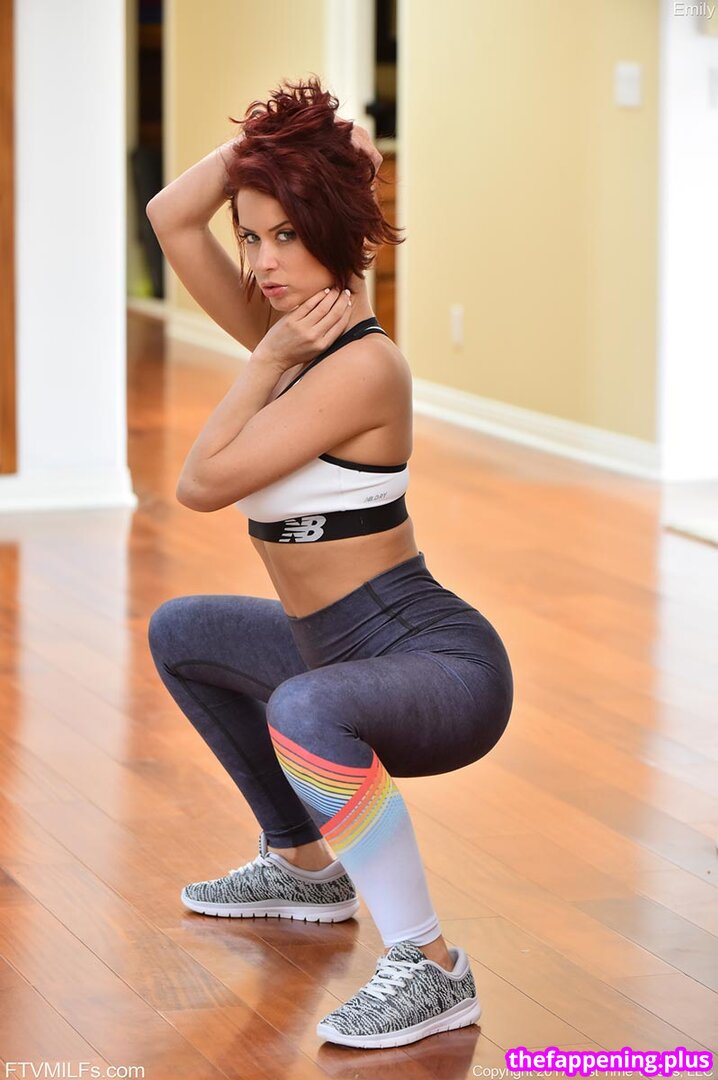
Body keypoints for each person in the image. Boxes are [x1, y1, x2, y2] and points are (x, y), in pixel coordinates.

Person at [146, 75, 514, 1051]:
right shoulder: (291, 331)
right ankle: (305, 867)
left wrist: (265, 363)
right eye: (250, 236)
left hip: (438, 666)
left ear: (335, 230)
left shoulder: (358, 364)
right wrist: (268, 145)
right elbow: (169, 215)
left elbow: (201, 482)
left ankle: (431, 967)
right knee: (184, 632)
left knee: (304, 710)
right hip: (333, 650)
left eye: (287, 234)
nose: (263, 261)